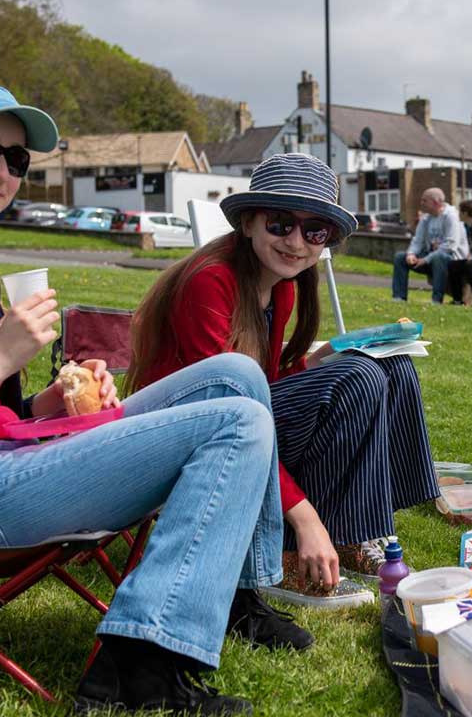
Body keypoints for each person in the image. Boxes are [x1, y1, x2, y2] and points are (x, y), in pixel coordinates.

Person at [0, 77, 307, 717]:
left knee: (235, 375)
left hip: (4, 459)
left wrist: (47, 404)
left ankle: (237, 593)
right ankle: (138, 670)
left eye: (16, 160)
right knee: (236, 424)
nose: (2, 170)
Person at [128, 152, 440, 590]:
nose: (296, 241)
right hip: (183, 441)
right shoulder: (209, 281)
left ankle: (355, 529)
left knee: (389, 366)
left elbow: (264, 386)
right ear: (249, 223)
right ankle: (292, 547)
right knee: (360, 378)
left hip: (232, 420)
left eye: (314, 230)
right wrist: (305, 517)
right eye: (280, 223)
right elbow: (226, 413)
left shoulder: (281, 288)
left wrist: (326, 355)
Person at [391, 187, 469, 303]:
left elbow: (450, 246)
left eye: (424, 200)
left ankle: (436, 300)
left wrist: (426, 259)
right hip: (430, 258)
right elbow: (418, 240)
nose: (421, 203)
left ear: (436, 202)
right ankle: (399, 297)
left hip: (453, 260)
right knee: (400, 257)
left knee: (438, 257)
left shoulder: (451, 216)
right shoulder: (426, 218)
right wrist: (411, 254)